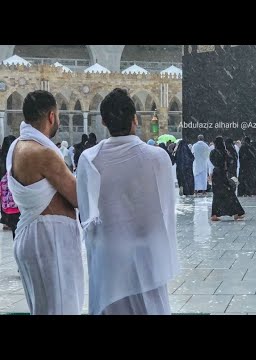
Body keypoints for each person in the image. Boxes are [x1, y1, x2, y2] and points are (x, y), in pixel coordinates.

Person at [77, 88, 179, 315]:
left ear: (103, 121)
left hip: (109, 261)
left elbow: (87, 218)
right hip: (147, 258)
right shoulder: (158, 158)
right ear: (135, 119)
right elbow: (163, 211)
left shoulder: (89, 159)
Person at [6, 90, 83, 315]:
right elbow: (78, 196)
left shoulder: (18, 146)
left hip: (37, 238)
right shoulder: (42, 153)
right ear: (51, 116)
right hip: (48, 242)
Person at [209, 136, 245, 221]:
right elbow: (230, 162)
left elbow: (212, 161)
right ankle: (236, 213)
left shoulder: (213, 152)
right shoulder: (225, 152)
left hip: (216, 175)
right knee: (229, 194)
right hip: (223, 175)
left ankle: (215, 214)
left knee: (217, 195)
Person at [0, 135, 20, 237]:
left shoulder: (1, 158)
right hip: (18, 199)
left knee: (13, 226)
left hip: (5, 199)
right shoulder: (18, 157)